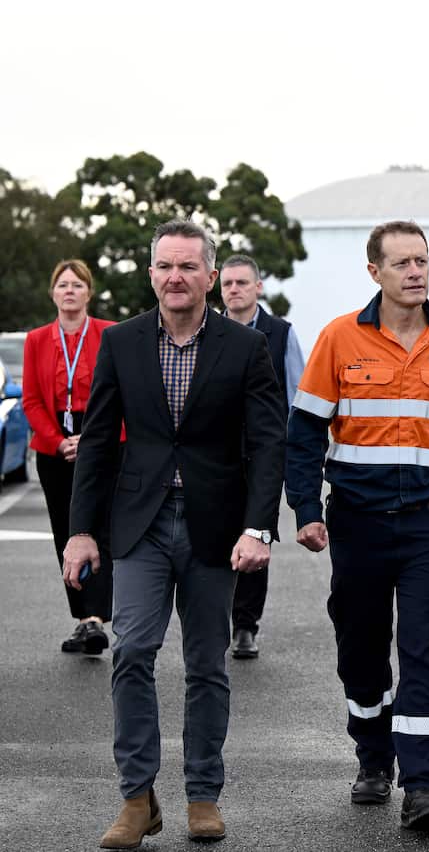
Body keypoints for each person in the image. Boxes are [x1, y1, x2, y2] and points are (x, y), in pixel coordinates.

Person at [63, 219, 285, 848]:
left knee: (206, 665)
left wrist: (258, 526)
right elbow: (100, 442)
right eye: (166, 266)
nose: (176, 277)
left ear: (211, 277)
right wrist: (82, 531)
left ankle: (202, 795)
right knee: (131, 652)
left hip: (216, 528)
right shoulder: (124, 343)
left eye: (189, 266)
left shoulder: (244, 348)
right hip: (141, 525)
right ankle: (136, 798)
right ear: (151, 273)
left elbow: (269, 443)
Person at [286, 220, 429, 832]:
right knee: (361, 651)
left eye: (422, 261)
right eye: (402, 262)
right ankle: (373, 755)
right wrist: (306, 510)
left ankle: (423, 782)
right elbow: (303, 436)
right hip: (358, 525)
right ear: (373, 271)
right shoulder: (338, 339)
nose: (415, 272)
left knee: (423, 651)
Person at [22, 260, 117, 654]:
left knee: (101, 527)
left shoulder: (110, 335)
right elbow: (31, 399)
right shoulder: (37, 340)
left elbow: (118, 395)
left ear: (88, 293)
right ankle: (84, 619)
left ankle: (97, 615)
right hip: (55, 445)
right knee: (66, 531)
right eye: (62, 285)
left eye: (77, 285)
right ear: (53, 293)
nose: (70, 291)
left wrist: (91, 439)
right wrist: (57, 440)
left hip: (102, 439)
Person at [219, 253, 305, 661]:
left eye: (241, 283)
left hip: (262, 456)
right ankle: (214, 618)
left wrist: (289, 457)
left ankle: (245, 626)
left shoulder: (281, 334)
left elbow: (297, 400)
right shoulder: (207, 329)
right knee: (213, 538)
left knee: (256, 537)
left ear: (258, 287)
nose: (233, 290)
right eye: (227, 284)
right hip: (213, 455)